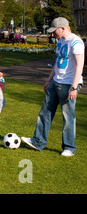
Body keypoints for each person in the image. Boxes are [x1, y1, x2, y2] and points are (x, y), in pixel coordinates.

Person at [22, 17, 84, 157]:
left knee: (68, 116)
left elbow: (80, 65)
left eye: (54, 31)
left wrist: (74, 87)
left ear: (63, 28)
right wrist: (48, 80)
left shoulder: (76, 42)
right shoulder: (61, 41)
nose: (52, 34)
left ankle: (69, 147)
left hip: (69, 84)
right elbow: (57, 62)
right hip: (56, 81)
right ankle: (38, 141)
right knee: (45, 112)